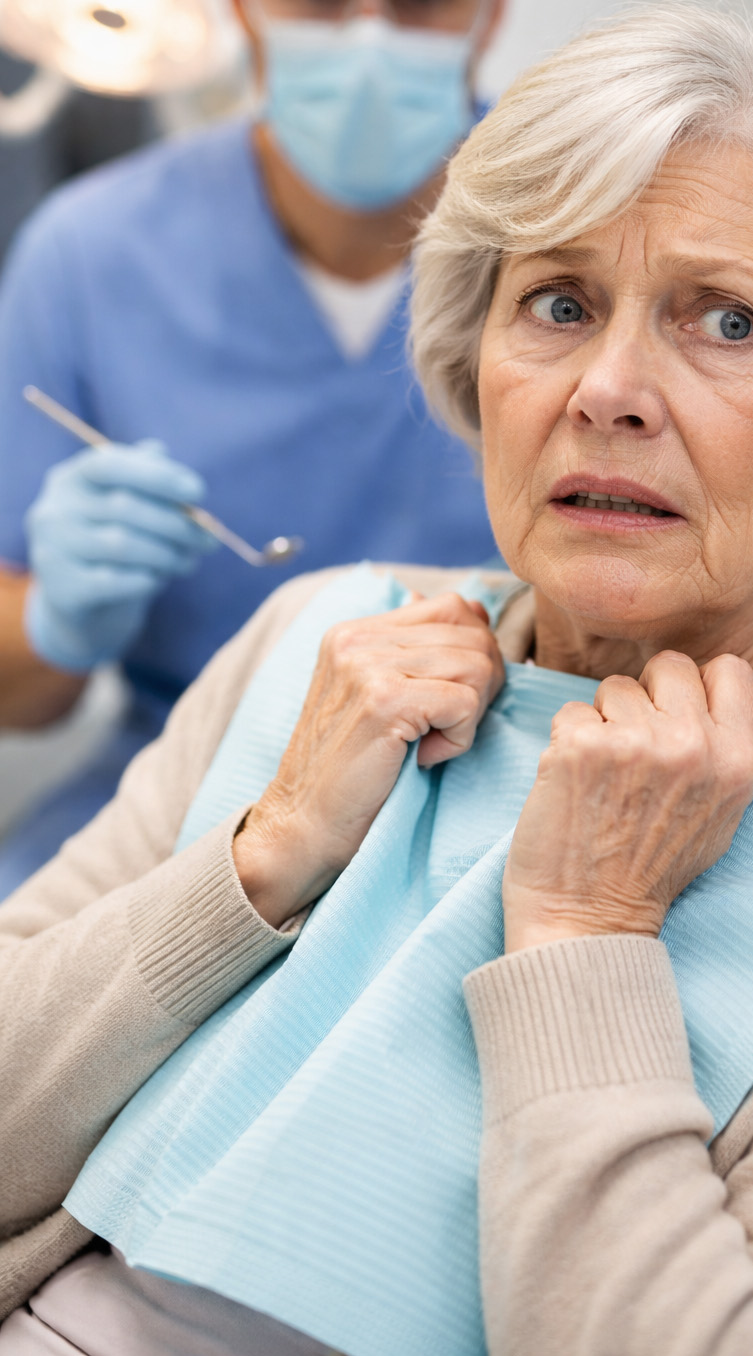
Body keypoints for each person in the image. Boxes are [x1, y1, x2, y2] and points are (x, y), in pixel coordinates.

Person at [1, 5, 753, 1353]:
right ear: (477, 373)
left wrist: (589, 934)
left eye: (726, 320)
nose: (608, 389)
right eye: (558, 303)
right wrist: (263, 857)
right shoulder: (326, 635)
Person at [0, 0, 503, 894]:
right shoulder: (91, 254)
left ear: (492, 13)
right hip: (181, 788)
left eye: (420, 2)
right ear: (240, 10)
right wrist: (55, 621)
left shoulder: (593, 234)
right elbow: (18, 699)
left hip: (500, 785)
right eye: (319, 1)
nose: (368, 40)